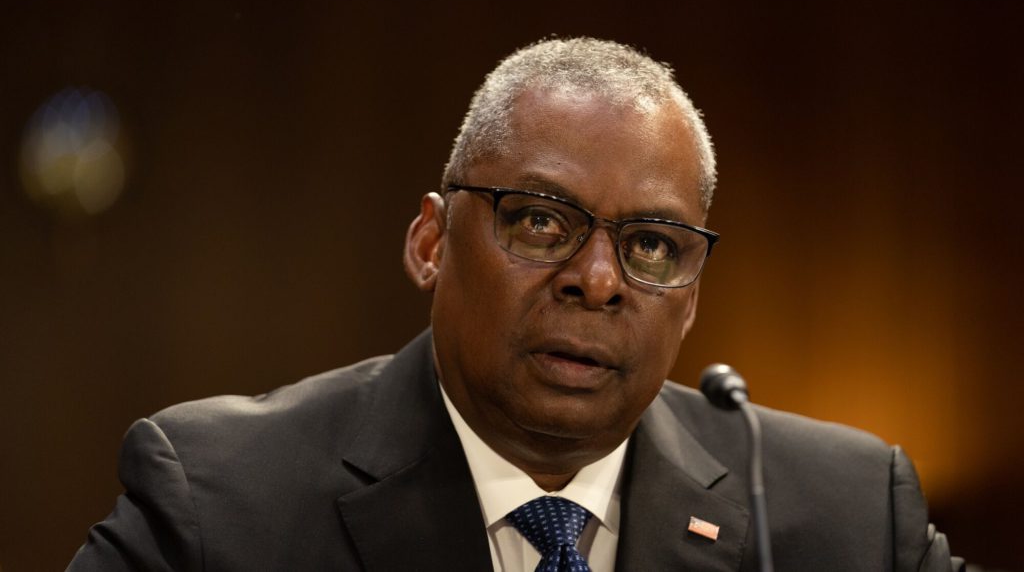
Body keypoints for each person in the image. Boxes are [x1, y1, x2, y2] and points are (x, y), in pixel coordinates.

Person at [69, 38, 963, 571]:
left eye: (653, 245)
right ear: (431, 242)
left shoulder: (848, 517)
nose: (599, 279)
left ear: (691, 297)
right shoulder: (218, 504)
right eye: (540, 220)